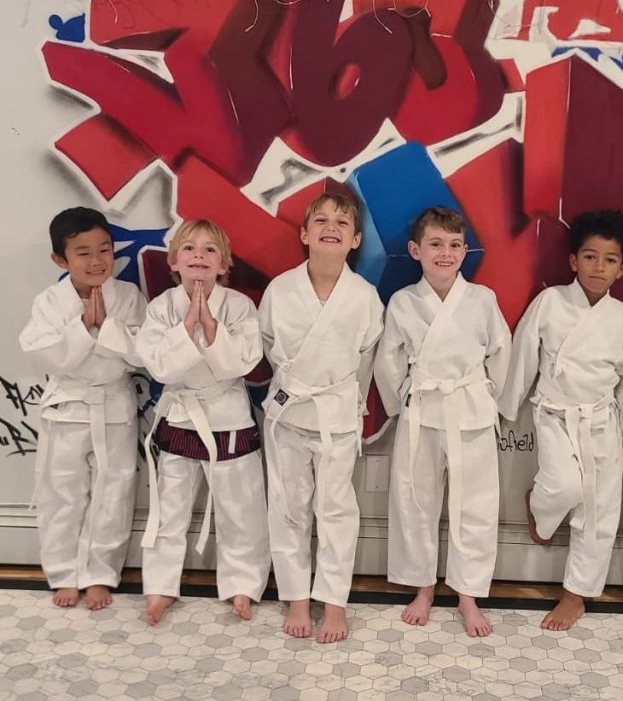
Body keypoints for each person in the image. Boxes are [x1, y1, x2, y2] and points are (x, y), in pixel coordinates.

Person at [374, 207, 512, 637]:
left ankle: (467, 594)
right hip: (423, 410)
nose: (445, 253)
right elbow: (388, 360)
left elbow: (501, 352)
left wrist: (488, 397)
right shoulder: (403, 302)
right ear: (416, 250)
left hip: (470, 408)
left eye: (454, 245)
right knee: (416, 501)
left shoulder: (482, 299)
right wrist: (403, 400)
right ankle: (423, 587)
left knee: (476, 505)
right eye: (435, 244)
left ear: (465, 250)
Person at [503, 210, 623, 630]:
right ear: (573, 260)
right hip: (556, 413)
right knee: (564, 485)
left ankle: (576, 595)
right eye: (590, 256)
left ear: (622, 268)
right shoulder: (551, 302)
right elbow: (524, 354)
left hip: (602, 418)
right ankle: (539, 507)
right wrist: (506, 408)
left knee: (600, 511)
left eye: (610, 260)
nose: (598, 267)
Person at [260, 191, 384, 643]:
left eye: (342, 222)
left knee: (336, 512)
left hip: (336, 416)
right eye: (322, 220)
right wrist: (295, 383)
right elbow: (268, 344)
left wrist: (349, 403)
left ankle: (334, 603)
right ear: (304, 233)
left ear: (355, 240)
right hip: (289, 413)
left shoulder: (365, 297)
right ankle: (296, 597)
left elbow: (367, 358)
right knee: (289, 508)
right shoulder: (280, 290)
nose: (331, 227)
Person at [136, 219, 269, 625]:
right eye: (189, 248)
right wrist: (184, 328)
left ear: (224, 265)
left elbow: (245, 362)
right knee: (169, 508)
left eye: (210, 249)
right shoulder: (161, 308)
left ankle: (242, 585)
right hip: (181, 413)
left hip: (228, 415)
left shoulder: (240, 306)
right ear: (174, 262)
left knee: (240, 508)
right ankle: (160, 586)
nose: (199, 255)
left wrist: (210, 328)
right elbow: (159, 367)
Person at [20, 207, 146, 610]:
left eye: (104, 250)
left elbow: (142, 353)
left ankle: (100, 574)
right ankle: (63, 573)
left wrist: (106, 327)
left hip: (114, 405)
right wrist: (82, 329)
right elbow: (43, 354)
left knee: (114, 491)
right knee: (62, 493)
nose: (96, 261)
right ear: (60, 259)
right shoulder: (49, 302)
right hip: (68, 407)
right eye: (83, 253)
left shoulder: (128, 297)